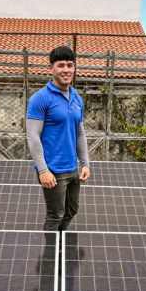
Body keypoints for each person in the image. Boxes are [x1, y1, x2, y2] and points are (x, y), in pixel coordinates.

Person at [26, 45, 90, 231]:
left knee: (72, 210)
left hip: (72, 168)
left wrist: (85, 163)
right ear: (51, 68)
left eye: (70, 65)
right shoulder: (40, 99)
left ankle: (59, 245)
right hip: (53, 170)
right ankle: (50, 255)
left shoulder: (77, 98)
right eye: (61, 65)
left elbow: (79, 132)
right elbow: (32, 136)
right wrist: (43, 170)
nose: (66, 70)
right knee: (55, 216)